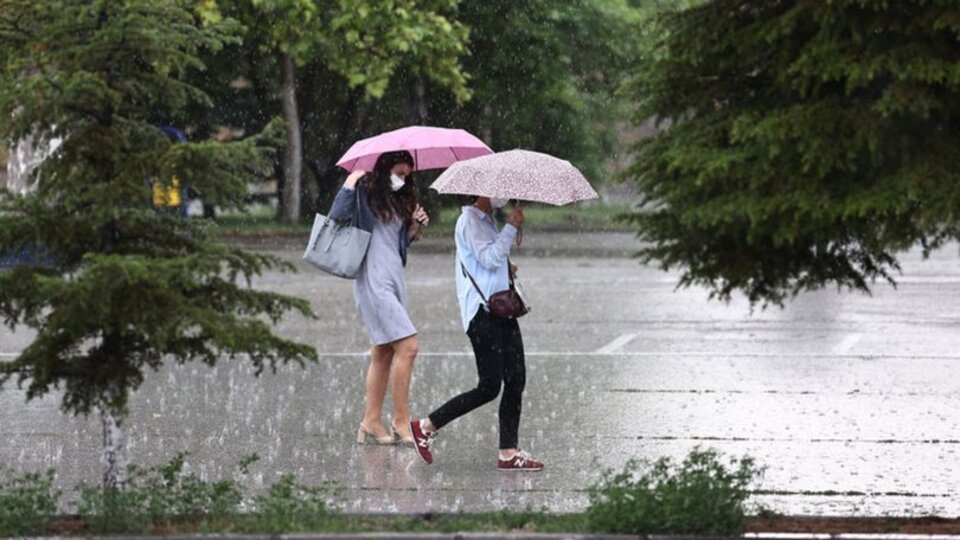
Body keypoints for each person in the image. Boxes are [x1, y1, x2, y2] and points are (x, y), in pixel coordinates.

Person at [409, 196, 544, 471]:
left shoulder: (486, 221)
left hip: (501, 309)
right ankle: (426, 425)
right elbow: (489, 258)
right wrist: (511, 227)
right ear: (482, 192)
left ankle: (508, 452)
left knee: (516, 379)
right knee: (489, 386)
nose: (502, 197)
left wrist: (508, 263)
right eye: (498, 192)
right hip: (483, 315)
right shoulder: (470, 221)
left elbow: (487, 263)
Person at [328, 150, 430, 445]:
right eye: (398, 173)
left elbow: (400, 243)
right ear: (385, 170)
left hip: (394, 278)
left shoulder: (399, 201)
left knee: (384, 351)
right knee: (409, 347)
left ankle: (371, 420)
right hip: (373, 280)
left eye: (406, 175)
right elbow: (337, 217)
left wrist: (416, 225)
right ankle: (400, 421)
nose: (403, 179)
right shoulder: (364, 194)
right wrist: (351, 182)